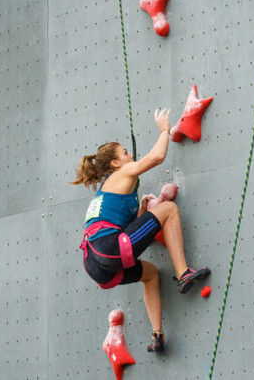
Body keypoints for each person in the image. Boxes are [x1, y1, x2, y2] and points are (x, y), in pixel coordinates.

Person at [71, 108, 210, 351]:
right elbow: (156, 157)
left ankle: (157, 336)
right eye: (125, 153)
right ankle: (183, 272)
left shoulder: (106, 191)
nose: (130, 154)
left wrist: (140, 214)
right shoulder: (123, 172)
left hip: (95, 264)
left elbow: (116, 229)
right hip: (110, 249)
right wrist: (164, 129)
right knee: (169, 210)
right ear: (115, 163)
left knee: (151, 274)